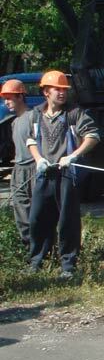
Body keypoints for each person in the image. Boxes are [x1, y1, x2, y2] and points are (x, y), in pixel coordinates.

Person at [26, 70, 99, 279]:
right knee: (37, 218)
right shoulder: (36, 114)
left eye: (64, 89)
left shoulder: (75, 113)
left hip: (68, 174)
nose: (61, 93)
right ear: (45, 92)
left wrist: (74, 155)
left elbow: (93, 136)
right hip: (44, 174)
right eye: (57, 89)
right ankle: (36, 261)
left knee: (68, 219)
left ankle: (68, 265)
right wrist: (39, 159)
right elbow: (31, 141)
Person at [1, 79, 33, 249]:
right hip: (18, 169)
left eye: (10, 98)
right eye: (4, 99)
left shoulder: (33, 117)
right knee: (21, 211)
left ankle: (42, 249)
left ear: (20, 96)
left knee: (36, 212)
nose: (7, 102)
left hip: (34, 169)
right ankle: (28, 247)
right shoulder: (14, 121)